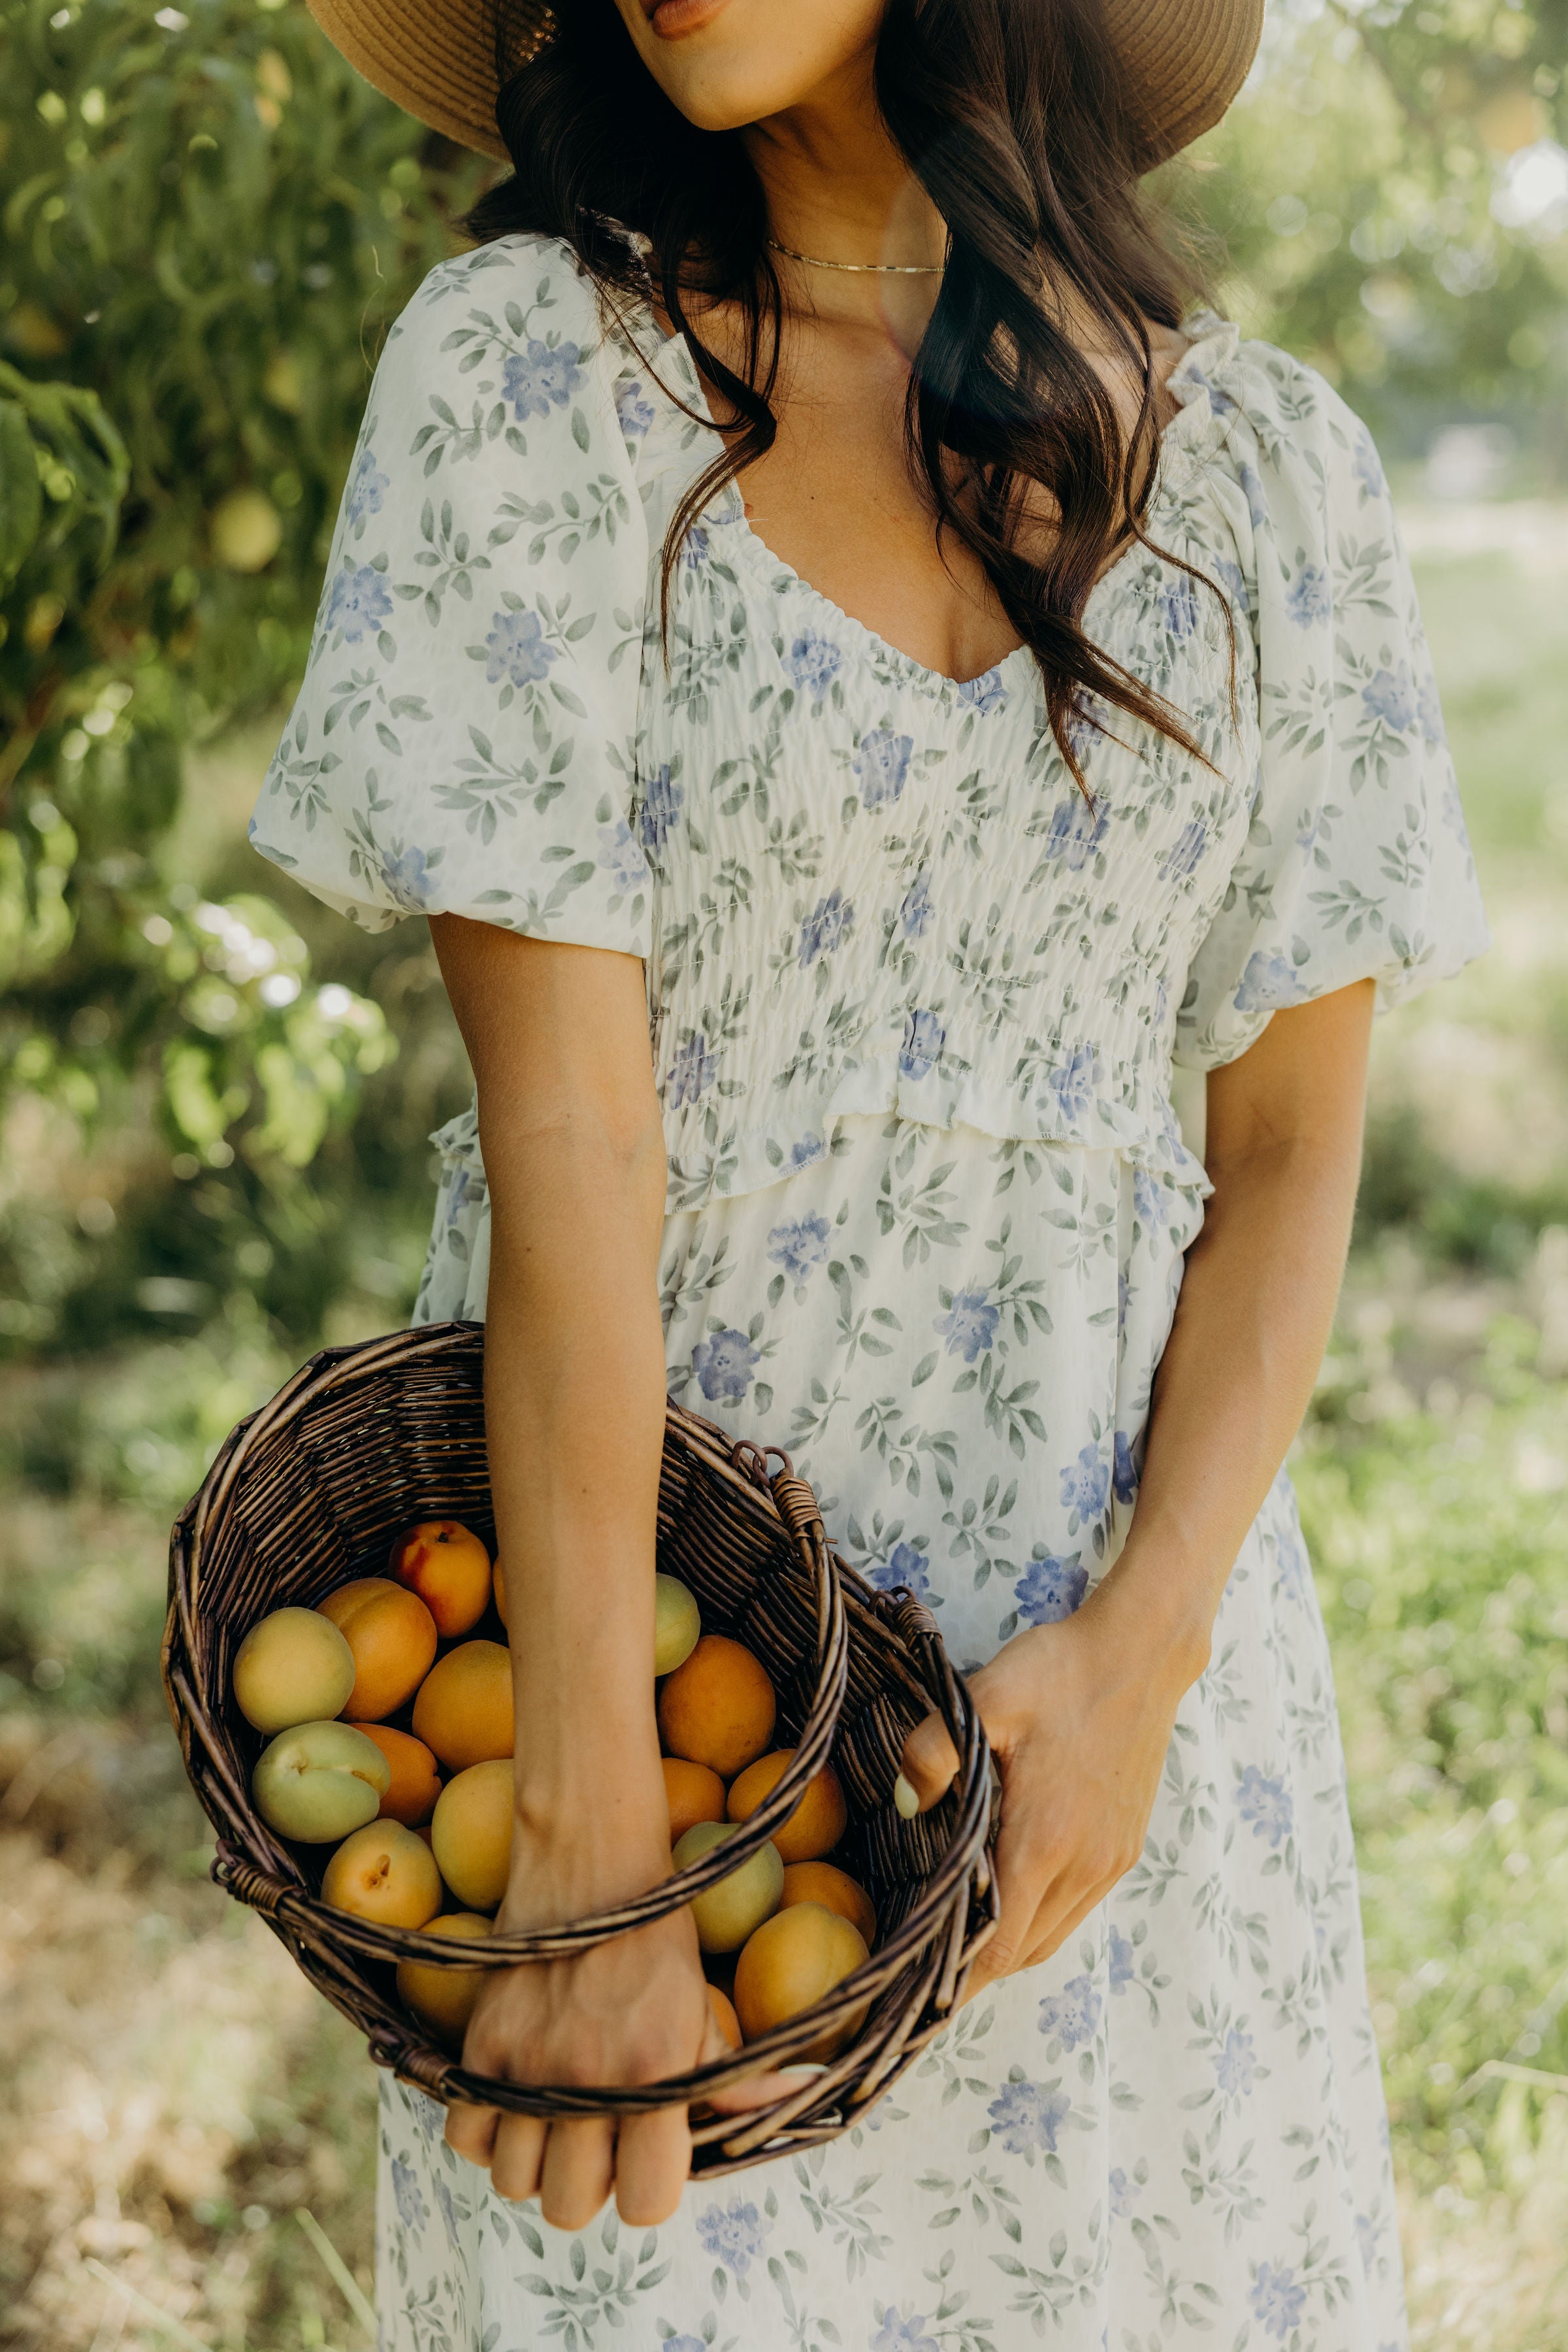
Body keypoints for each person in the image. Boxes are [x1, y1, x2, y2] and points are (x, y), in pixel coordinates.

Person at [252, 0, 1489, 2341]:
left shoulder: (1274, 479)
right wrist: (599, 1849)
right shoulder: (534, 380)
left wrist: (1140, 1667)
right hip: (651, 1718)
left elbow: (1289, 1150)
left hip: (1114, 1745)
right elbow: (568, 1138)